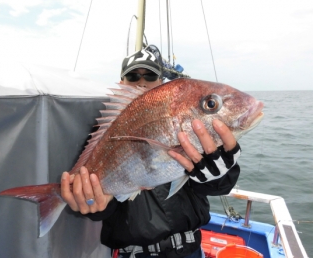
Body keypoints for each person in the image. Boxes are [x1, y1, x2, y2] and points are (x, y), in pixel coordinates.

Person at [61, 49, 241, 258]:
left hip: (190, 250)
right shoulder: (104, 134)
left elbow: (218, 185)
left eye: (150, 76)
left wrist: (223, 172)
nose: (142, 82)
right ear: (122, 83)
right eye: (133, 76)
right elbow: (102, 204)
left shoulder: (188, 125)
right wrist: (92, 203)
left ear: (161, 83)